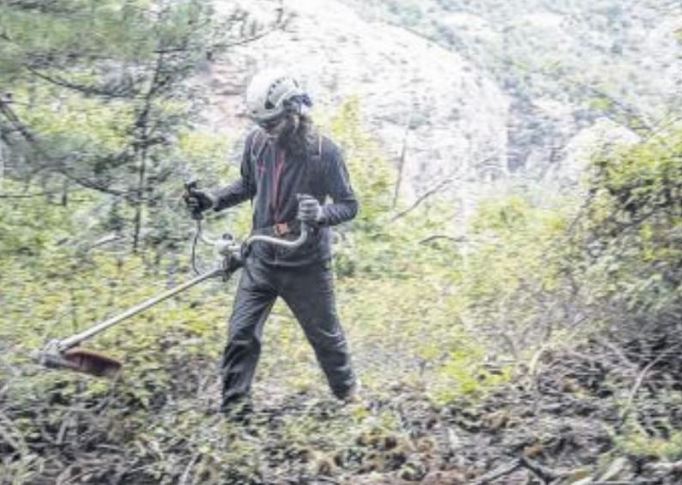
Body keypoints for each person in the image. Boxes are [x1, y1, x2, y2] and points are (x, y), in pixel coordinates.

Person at [185, 69, 360, 417]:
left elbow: (349, 206)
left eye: (274, 123)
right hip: (262, 256)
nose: (267, 130)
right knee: (240, 335)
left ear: (295, 111)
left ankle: (351, 399)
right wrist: (213, 200)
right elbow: (247, 185)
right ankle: (236, 416)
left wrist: (322, 214)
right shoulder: (256, 143)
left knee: (326, 338)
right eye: (262, 123)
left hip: (306, 263)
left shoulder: (325, 152)